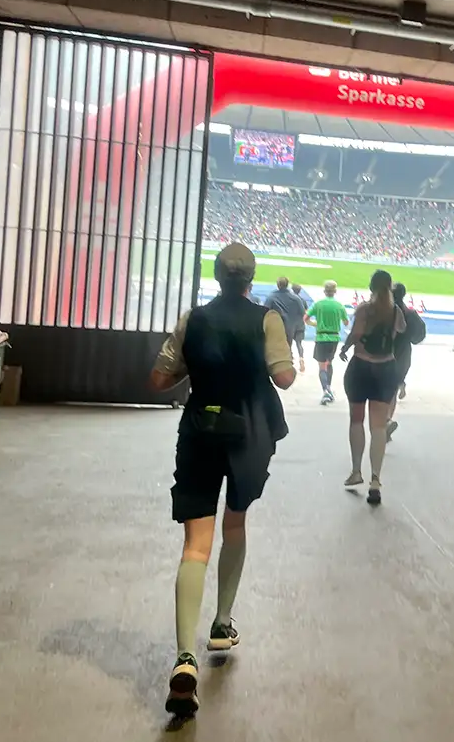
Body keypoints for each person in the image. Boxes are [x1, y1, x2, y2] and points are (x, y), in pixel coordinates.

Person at [148, 243, 295, 718]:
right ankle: (223, 622)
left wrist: (197, 367)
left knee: (195, 543)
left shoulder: (193, 319)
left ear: (216, 275)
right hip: (249, 435)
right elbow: (285, 378)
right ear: (252, 278)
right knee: (236, 522)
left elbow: (159, 378)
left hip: (199, 432)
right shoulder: (267, 319)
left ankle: (184, 658)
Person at [338, 270, 406, 504]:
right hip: (386, 369)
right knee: (378, 426)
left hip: (361, 368)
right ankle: (375, 480)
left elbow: (356, 334)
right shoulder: (396, 311)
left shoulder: (364, 309)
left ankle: (356, 471)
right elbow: (400, 332)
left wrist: (345, 348)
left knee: (356, 420)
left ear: (371, 286)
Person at [387, 282, 428, 442]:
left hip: (382, 356)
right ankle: (387, 419)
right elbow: (419, 336)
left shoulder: (383, 312)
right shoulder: (410, 314)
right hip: (402, 356)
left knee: (383, 390)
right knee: (392, 391)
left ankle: (384, 420)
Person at [305, 280, 350, 405]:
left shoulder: (318, 304)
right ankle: (328, 388)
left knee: (322, 366)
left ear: (324, 291)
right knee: (329, 363)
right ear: (335, 291)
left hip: (321, 337)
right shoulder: (339, 306)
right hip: (334, 338)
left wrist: (316, 324)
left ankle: (325, 390)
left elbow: (306, 318)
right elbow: (346, 322)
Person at [264, 277, 307, 373]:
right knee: (288, 346)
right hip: (291, 327)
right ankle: (287, 366)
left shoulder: (272, 297)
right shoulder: (295, 298)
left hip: (277, 327)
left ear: (278, 285)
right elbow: (302, 312)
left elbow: (264, 310)